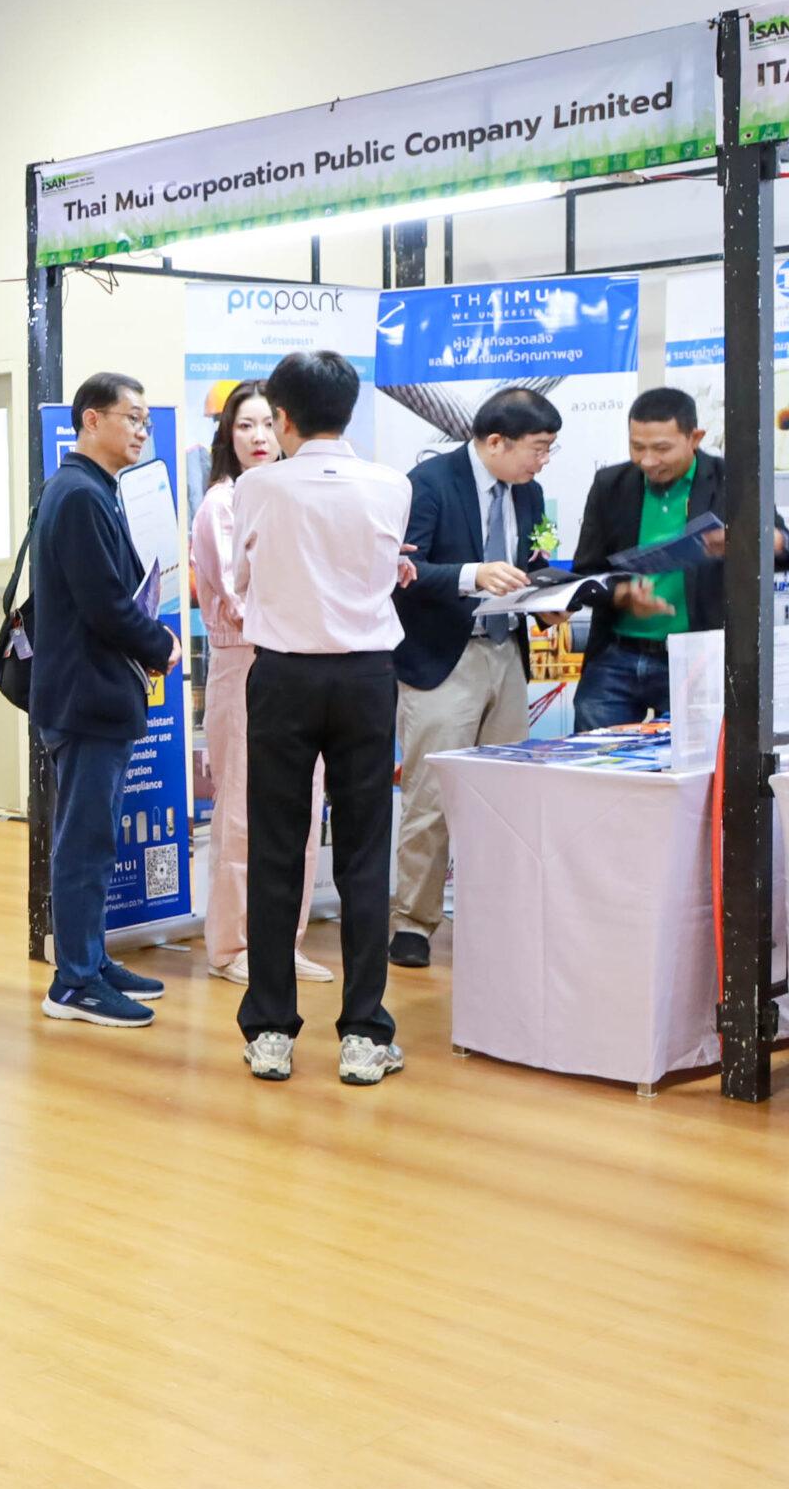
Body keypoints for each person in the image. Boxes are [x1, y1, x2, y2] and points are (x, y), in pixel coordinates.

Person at [229, 350, 415, 1084]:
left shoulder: (257, 486)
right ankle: (364, 1033)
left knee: (276, 847)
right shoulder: (392, 484)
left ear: (283, 418)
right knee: (365, 852)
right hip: (367, 677)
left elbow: (242, 578)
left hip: (283, 675)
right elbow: (379, 570)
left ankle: (271, 1029)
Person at [27, 371, 179, 1029]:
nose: (142, 430)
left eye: (145, 421)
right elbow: (106, 606)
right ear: (92, 419)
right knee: (84, 844)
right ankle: (74, 982)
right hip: (86, 697)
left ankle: (91, 959)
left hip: (94, 694)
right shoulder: (80, 495)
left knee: (94, 839)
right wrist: (161, 642)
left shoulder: (93, 489)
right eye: (132, 418)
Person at [390, 386, 559, 970]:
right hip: (443, 660)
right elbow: (403, 572)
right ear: (495, 442)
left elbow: (532, 565)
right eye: (538, 448)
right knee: (431, 797)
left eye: (550, 449)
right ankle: (413, 922)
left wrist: (550, 599)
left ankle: (496, 914)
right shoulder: (430, 483)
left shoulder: (529, 492)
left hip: (506, 655)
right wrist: (473, 574)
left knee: (505, 796)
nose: (543, 461)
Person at [189, 383, 329, 986]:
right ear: (228, 434)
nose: (259, 437)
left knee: (302, 808)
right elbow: (238, 593)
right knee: (242, 813)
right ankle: (231, 946)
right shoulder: (221, 504)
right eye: (245, 425)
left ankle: (284, 941)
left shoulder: (293, 495)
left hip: (303, 663)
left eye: (268, 424)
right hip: (245, 664)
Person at [569, 387, 789, 729]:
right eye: (637, 447)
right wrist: (623, 595)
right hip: (615, 657)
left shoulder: (734, 481)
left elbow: (782, 549)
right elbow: (586, 573)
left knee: (696, 759)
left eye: (661, 449)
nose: (647, 461)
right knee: (596, 758)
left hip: (699, 658)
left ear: (694, 438)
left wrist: (763, 540)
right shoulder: (611, 484)